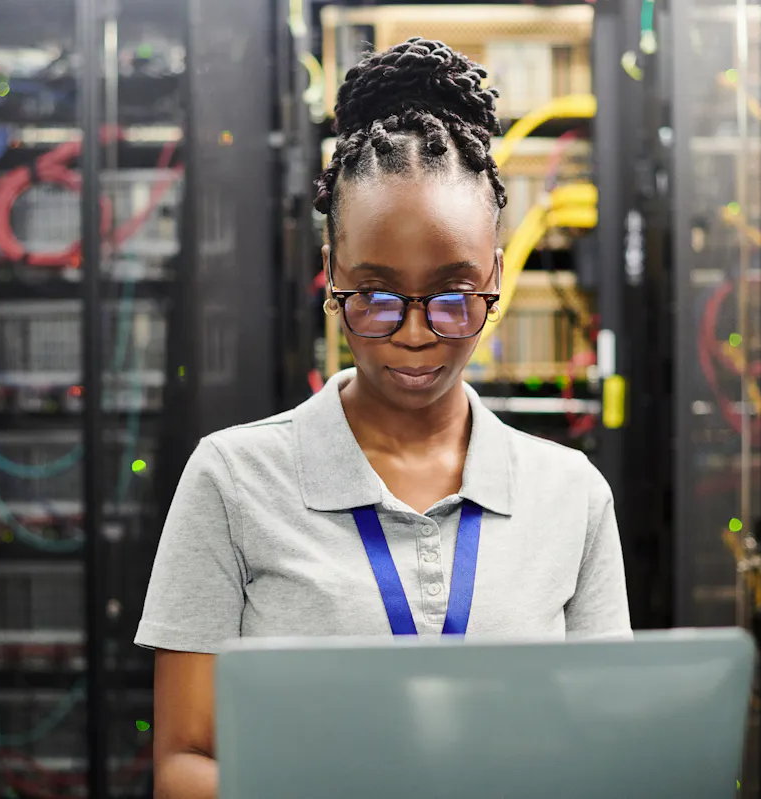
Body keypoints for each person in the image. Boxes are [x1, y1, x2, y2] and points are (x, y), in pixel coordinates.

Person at [135, 37, 631, 799]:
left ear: (496, 273)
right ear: (332, 273)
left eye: (453, 294)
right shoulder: (233, 481)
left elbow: (610, 756)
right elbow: (182, 766)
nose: (415, 331)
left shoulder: (571, 494)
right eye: (376, 294)